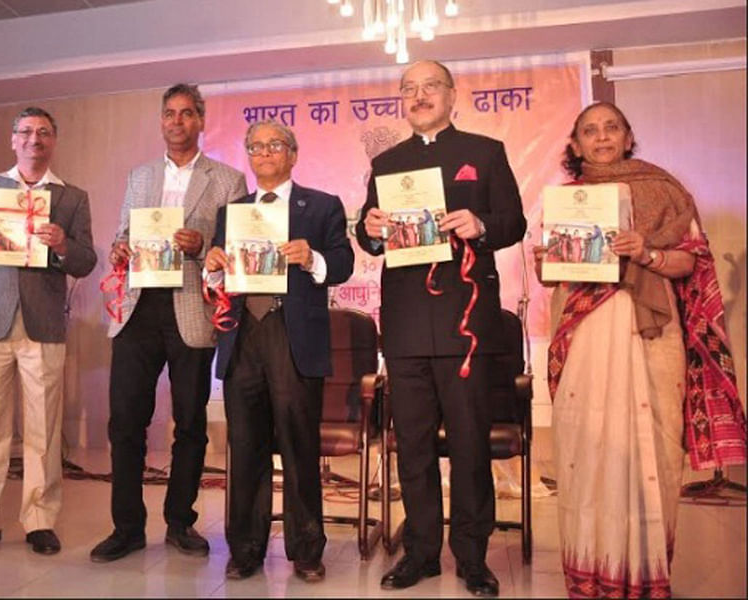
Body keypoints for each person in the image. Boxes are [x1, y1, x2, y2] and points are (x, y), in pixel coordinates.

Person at [533, 101, 747, 598]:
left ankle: (647, 578)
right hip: (584, 335)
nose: (602, 137)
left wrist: (644, 252)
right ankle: (590, 574)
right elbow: (555, 276)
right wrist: (549, 256)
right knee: (587, 450)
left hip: (651, 333)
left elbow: (689, 264)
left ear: (629, 137)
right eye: (590, 130)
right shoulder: (567, 200)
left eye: (611, 128)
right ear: (576, 144)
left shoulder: (665, 192)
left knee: (650, 450)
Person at [356, 60, 526, 597]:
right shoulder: (387, 162)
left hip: (467, 322)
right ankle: (422, 552)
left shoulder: (485, 151)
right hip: (405, 325)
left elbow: (514, 222)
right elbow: (369, 236)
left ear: (453, 95)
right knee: (413, 444)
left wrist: (481, 225)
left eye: (430, 86)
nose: (419, 95)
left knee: (471, 443)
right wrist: (372, 230)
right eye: (409, 89)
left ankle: (473, 557)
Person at [90, 83, 247, 562]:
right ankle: (127, 527)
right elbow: (123, 232)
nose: (176, 122)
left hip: (191, 307)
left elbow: (234, 248)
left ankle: (181, 521)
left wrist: (200, 245)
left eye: (186, 114)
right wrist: (119, 247)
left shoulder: (228, 179)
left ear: (201, 120)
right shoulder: (138, 177)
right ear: (161, 121)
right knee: (125, 423)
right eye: (169, 114)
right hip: (138, 309)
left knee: (191, 424)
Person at [204, 119, 353, 583]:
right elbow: (218, 276)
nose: (264, 152)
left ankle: (307, 549)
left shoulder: (322, 206)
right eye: (255, 146)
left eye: (274, 145)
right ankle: (245, 549)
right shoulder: (233, 212)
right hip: (243, 334)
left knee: (298, 446)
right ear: (248, 156)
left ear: (293, 153)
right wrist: (212, 268)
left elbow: (344, 264)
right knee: (245, 447)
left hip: (294, 338)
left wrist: (312, 258)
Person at [0, 107, 96, 556]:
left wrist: (63, 245)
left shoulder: (72, 197)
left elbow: (86, 261)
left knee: (42, 430)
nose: (35, 139)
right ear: (13, 139)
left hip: (43, 323)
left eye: (44, 133)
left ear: (54, 141)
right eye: (27, 132)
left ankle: (39, 520)